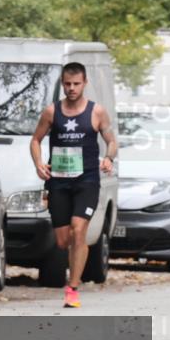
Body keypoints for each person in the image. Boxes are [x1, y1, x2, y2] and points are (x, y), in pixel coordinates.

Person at [30, 62, 117, 308]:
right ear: (62, 84)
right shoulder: (51, 112)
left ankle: (73, 288)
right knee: (62, 241)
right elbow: (35, 140)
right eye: (67, 84)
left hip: (87, 181)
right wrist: (38, 163)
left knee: (79, 230)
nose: (71, 88)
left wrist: (109, 158)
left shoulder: (96, 112)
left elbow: (111, 140)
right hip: (58, 182)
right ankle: (75, 261)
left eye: (76, 84)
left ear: (84, 83)